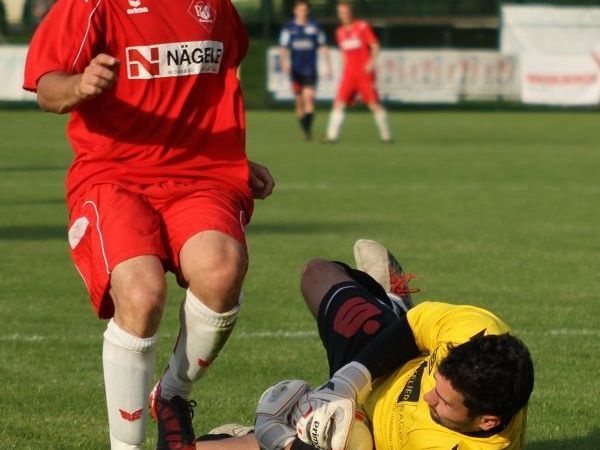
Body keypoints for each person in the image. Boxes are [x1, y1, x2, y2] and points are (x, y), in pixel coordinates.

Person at [22, 1, 274, 449]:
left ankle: (173, 394)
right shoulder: (94, 4)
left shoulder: (215, 6)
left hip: (201, 176)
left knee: (221, 270)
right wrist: (80, 84)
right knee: (141, 294)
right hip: (112, 175)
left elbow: (209, 85)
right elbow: (47, 88)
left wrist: (229, 155)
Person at [193, 239, 534, 450]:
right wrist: (342, 385)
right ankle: (394, 305)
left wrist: (286, 442)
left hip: (356, 437)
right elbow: (417, 328)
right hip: (381, 362)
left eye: (443, 401)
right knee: (316, 274)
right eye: (437, 382)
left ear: (487, 421)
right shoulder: (477, 333)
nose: (430, 394)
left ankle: (264, 432)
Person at [324, 2, 392, 143]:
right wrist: (343, 71)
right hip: (349, 75)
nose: (344, 15)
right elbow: (344, 54)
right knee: (339, 104)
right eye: (341, 12)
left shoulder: (362, 27)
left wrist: (371, 62)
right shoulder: (340, 32)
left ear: (351, 12)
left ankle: (386, 136)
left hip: (363, 74)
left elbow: (375, 45)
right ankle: (331, 137)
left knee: (373, 104)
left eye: (346, 12)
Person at [279, 0, 330, 140]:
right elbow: (283, 47)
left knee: (309, 99)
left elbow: (323, 45)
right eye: (300, 9)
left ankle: (306, 131)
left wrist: (327, 65)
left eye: (305, 9)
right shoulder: (289, 28)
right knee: (299, 102)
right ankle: (304, 129)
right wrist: (284, 63)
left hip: (310, 70)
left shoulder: (315, 26)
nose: (302, 12)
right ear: (295, 11)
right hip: (295, 70)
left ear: (308, 11)